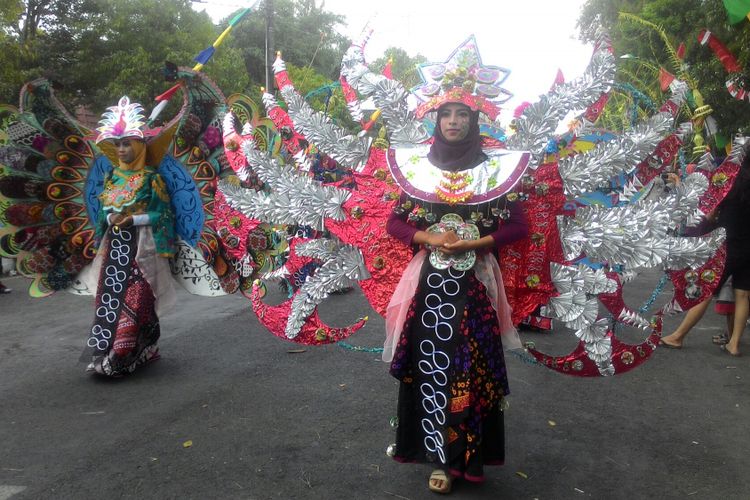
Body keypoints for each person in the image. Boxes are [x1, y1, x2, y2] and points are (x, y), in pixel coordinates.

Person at [384, 98, 528, 493]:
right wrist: (428, 236)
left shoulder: (496, 170)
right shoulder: (418, 170)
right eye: (446, 114)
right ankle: (439, 461)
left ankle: (469, 456)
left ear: (474, 119)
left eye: (462, 114)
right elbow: (394, 222)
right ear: (436, 120)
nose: (453, 121)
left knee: (471, 373)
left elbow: (519, 226)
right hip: (429, 289)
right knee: (432, 369)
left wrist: (476, 243)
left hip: (476, 287)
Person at [81, 96, 177, 376]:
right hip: (114, 251)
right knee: (109, 299)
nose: (121, 150)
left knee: (137, 299)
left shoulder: (151, 178)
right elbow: (103, 212)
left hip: (141, 250)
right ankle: (109, 351)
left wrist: (133, 219)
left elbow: (163, 214)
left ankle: (125, 354)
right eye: (117, 144)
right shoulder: (112, 177)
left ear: (138, 145)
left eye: (126, 144)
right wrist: (111, 218)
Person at [660, 145, 750, 356]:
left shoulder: (731, 182)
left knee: (706, 291)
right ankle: (734, 344)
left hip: (726, 243)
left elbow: (710, 215)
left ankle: (678, 336)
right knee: (744, 294)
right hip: (748, 247)